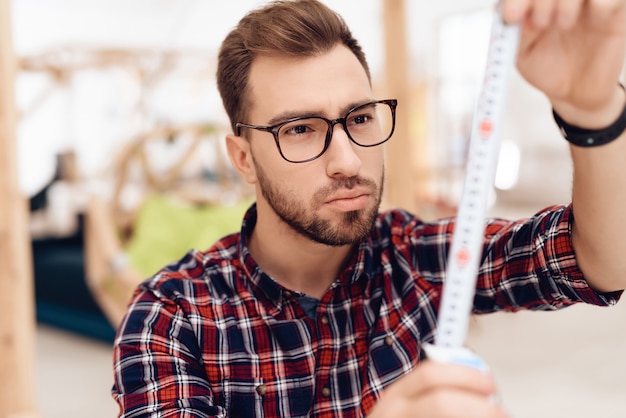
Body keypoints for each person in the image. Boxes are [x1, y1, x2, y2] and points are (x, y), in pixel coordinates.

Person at [112, 0, 626, 416]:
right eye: (299, 129)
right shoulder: (171, 317)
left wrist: (593, 111)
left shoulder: (415, 257)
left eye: (359, 118)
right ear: (243, 158)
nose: (347, 159)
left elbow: (602, 259)